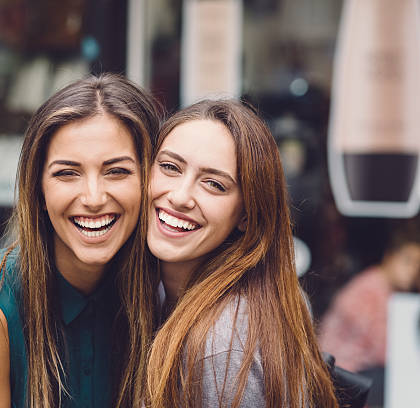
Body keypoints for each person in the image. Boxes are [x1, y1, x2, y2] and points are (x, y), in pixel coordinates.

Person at [0, 74, 162, 408]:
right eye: (67, 173)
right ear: (39, 191)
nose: (93, 197)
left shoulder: (166, 288)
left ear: (149, 181)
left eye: (117, 171)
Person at [143, 99, 338, 407]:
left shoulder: (222, 342)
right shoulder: (263, 293)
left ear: (247, 215)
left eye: (214, 184)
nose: (180, 196)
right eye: (169, 167)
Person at [319, 223, 420, 405]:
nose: (412, 270)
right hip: (340, 377)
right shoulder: (369, 290)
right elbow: (386, 350)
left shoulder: (390, 293)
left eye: (417, 265)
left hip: (356, 375)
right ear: (389, 256)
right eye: (408, 260)